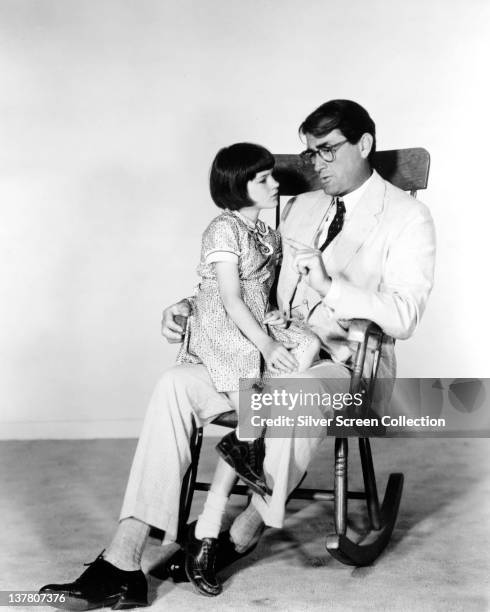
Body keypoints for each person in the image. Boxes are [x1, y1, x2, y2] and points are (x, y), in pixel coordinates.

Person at [40, 99, 436, 608]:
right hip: (265, 356)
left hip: (346, 364)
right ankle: (122, 559)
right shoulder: (301, 206)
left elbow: (405, 315)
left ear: (365, 144)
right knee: (174, 386)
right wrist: (191, 304)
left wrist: (331, 288)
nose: (317, 165)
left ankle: (244, 528)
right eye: (311, 154)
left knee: (290, 392)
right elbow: (249, 285)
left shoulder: (408, 216)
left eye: (329, 151)